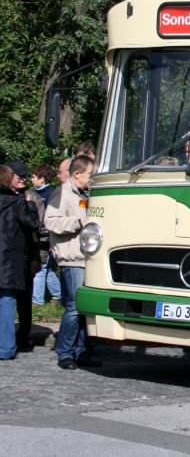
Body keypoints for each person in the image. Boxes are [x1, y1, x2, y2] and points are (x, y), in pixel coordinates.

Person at [45, 155, 99, 369]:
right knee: (74, 308)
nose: (92, 179)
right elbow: (50, 221)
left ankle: (82, 351)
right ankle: (65, 353)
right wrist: (79, 222)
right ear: (77, 174)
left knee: (87, 308)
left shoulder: (88, 193)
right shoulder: (61, 194)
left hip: (89, 258)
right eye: (90, 175)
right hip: (72, 259)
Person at [0, 164, 41, 361]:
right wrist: (31, 205)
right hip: (9, 259)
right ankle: (6, 347)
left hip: (7, 258)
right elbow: (32, 224)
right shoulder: (18, 202)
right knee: (7, 301)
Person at [30, 164, 60, 306]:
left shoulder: (48, 196)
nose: (31, 179)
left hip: (46, 238)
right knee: (48, 269)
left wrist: (49, 240)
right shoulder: (40, 195)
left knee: (40, 269)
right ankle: (58, 295)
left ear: (42, 179)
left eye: (34, 177)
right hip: (45, 238)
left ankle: (37, 300)